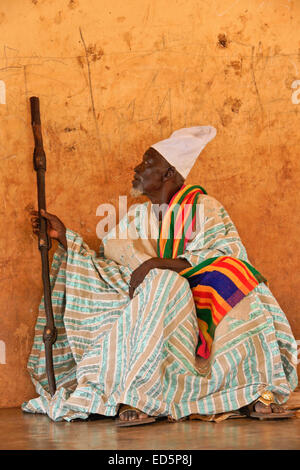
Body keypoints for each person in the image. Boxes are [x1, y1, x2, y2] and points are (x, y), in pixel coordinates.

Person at [24, 126, 298, 425]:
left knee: (241, 284)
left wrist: (158, 263)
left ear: (169, 174)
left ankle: (259, 392)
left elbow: (227, 254)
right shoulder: (135, 219)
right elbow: (109, 269)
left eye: (146, 163)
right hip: (158, 300)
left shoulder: (204, 208)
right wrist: (66, 239)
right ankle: (140, 392)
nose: (137, 169)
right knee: (163, 284)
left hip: (208, 293)